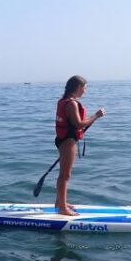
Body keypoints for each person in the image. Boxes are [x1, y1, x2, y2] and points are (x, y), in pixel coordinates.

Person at [55, 76, 106, 216]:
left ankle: (60, 202)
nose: (85, 91)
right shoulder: (71, 104)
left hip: (63, 139)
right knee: (65, 175)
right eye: (84, 88)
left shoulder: (63, 101)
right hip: (68, 141)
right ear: (77, 87)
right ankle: (62, 208)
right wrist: (96, 116)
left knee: (63, 174)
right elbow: (79, 124)